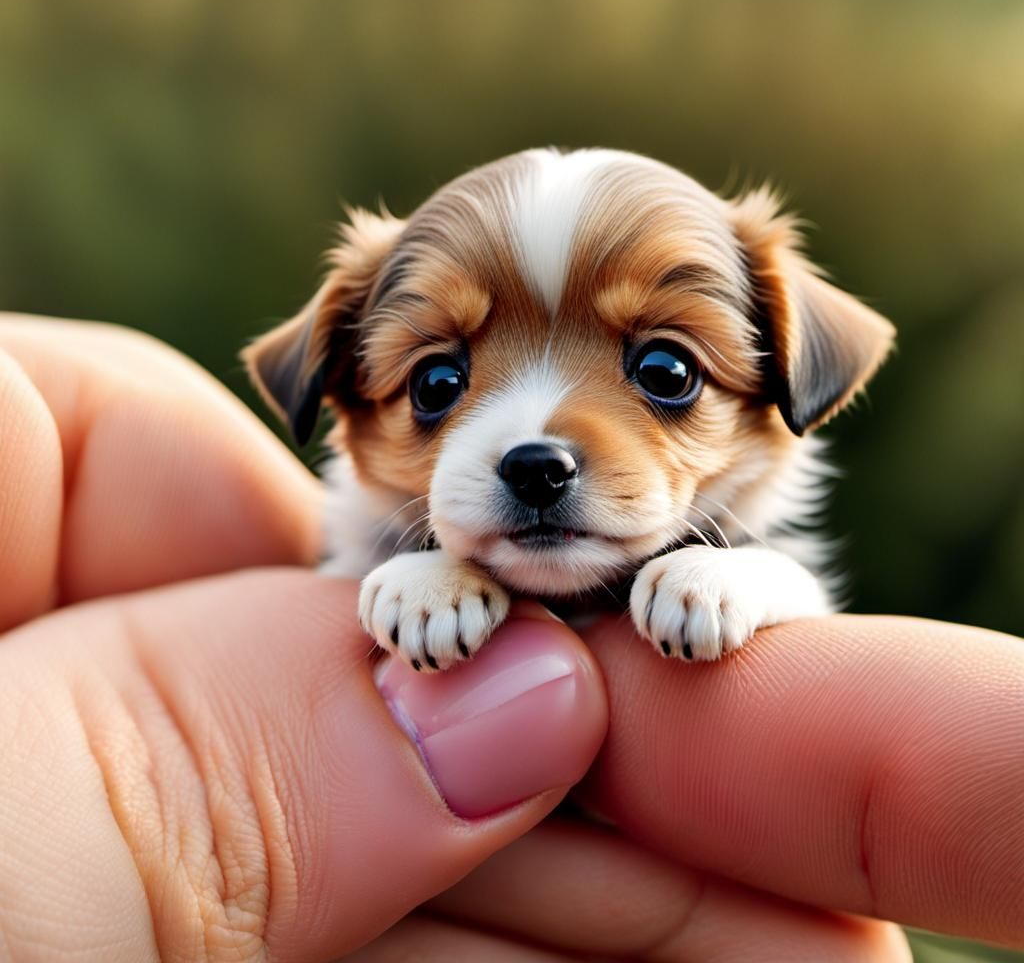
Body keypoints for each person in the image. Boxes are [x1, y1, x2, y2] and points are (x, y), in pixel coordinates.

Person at [0, 312, 1020, 963]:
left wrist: (738, 580)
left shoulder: (740, 569)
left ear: (780, 392)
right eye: (439, 385)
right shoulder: (376, 568)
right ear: (343, 405)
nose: (540, 445)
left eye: (664, 372)